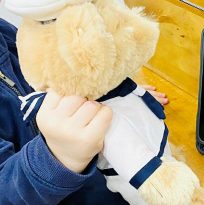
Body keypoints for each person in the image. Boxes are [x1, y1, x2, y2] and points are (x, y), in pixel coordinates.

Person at [0, 18, 168, 204]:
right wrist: (57, 157)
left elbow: (43, 74)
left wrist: (104, 90)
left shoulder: (5, 31)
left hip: (107, 175)